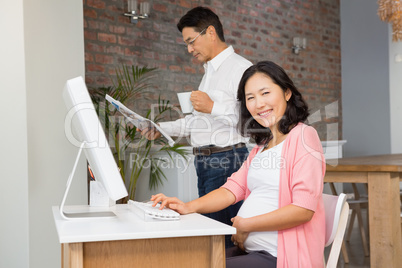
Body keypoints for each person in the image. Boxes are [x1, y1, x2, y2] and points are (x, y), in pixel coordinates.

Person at [150, 61, 326, 267]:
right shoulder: (262, 147)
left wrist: (246, 225)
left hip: (280, 257)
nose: (259, 104)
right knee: (185, 260)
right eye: (250, 98)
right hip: (252, 251)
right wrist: (187, 206)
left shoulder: (304, 136)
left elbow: (303, 210)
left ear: (287, 93)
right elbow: (231, 190)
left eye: (265, 93)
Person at [141, 6, 252, 247]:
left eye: (191, 41)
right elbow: (197, 122)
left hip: (227, 161)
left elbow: (252, 120)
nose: (190, 49)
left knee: (221, 241)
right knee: (212, 235)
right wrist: (160, 128)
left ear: (210, 32)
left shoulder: (242, 69)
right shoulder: (209, 73)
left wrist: (213, 106)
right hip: (206, 162)